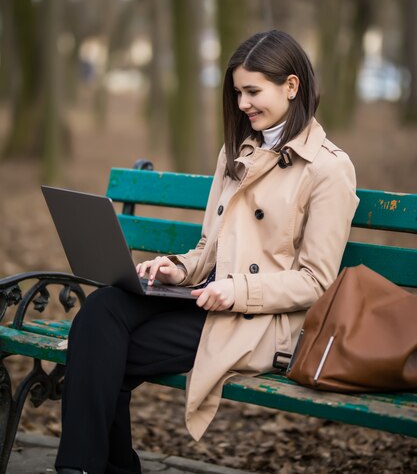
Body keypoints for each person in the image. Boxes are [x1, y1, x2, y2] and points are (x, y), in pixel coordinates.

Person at [55, 30, 359, 474]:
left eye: (252, 91)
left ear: (291, 86)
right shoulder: (237, 150)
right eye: (237, 92)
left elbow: (316, 281)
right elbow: (208, 248)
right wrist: (177, 269)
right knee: (103, 310)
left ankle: (89, 468)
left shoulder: (329, 169)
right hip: (209, 299)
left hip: (262, 321)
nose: (242, 105)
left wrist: (237, 290)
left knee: (105, 350)